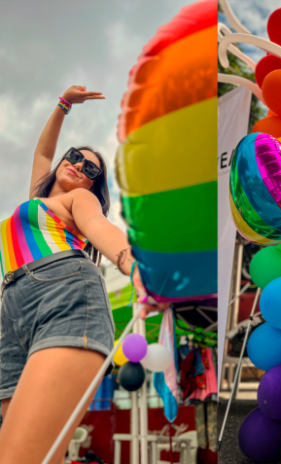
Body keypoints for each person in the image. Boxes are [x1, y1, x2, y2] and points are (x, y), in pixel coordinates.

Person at [0, 86, 165, 464]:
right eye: (75, 157)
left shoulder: (78, 200)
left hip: (64, 293)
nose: (78, 165)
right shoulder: (36, 201)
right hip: (13, 312)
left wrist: (134, 266)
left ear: (93, 183)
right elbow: (42, 153)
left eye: (90, 169)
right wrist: (62, 105)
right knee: (30, 451)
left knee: (19, 457)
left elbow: (98, 227)